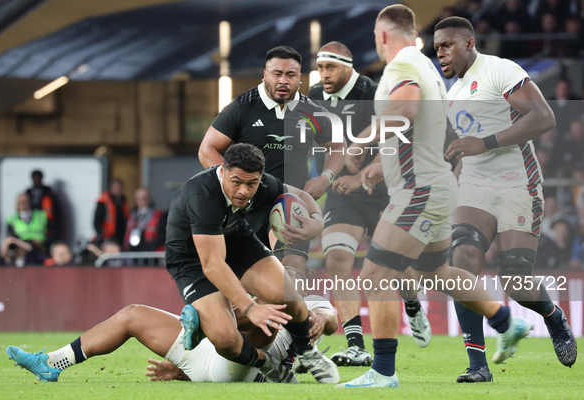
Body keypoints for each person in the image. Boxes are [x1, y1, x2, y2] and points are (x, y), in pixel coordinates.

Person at [338, 5, 533, 389]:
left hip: (419, 191)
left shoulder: (401, 66)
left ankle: (383, 372)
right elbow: (419, 127)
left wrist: (362, 139)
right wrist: (381, 163)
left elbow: (406, 110)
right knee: (436, 272)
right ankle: (507, 322)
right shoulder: (426, 64)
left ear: (382, 36)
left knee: (376, 274)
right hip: (437, 185)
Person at [433, 16, 577, 382]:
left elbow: (544, 118)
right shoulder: (451, 95)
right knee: (461, 263)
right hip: (475, 185)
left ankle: (553, 317)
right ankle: (477, 366)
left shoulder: (500, 70)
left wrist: (484, 143)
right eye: (436, 49)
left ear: (468, 43)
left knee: (515, 282)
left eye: (446, 45)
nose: (440, 54)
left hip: (518, 182)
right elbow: (465, 149)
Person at [165, 143, 339, 384]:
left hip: (236, 240)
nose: (244, 191)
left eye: (251, 184)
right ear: (223, 171)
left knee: (287, 292)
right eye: (237, 182)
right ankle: (266, 364)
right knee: (225, 339)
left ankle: (307, 352)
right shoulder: (202, 195)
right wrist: (250, 307)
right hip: (192, 260)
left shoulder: (263, 183)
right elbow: (213, 265)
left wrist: (317, 222)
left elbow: (300, 196)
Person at [308, 41, 431, 367]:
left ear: (348, 66)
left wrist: (365, 172)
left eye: (330, 67)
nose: (324, 74)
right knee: (336, 258)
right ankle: (355, 346)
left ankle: (414, 304)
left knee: (395, 268)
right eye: (320, 68)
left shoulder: (374, 91)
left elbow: (395, 134)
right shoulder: (314, 96)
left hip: (382, 190)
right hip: (341, 191)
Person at [198, 45, 345, 274]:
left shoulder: (312, 112)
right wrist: (234, 186)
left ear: (299, 79)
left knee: (291, 275)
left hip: (290, 207)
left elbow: (338, 146)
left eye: (290, 75)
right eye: (277, 74)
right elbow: (207, 149)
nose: (283, 81)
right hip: (246, 211)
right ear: (265, 75)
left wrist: (326, 178)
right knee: (250, 289)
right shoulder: (242, 107)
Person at [6, 295, 338, 383]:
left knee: (258, 321)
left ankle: (201, 322)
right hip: (206, 357)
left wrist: (320, 317)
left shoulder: (300, 300)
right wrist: (182, 372)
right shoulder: (253, 281)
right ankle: (53, 362)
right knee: (133, 314)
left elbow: (330, 317)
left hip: (244, 363)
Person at [0, 193, 48, 267]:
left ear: (30, 202)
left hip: (40, 249)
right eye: (20, 202)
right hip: (21, 249)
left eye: (25, 201)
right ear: (17, 204)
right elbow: (12, 237)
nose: (23, 204)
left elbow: (53, 233)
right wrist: (26, 244)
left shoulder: (41, 216)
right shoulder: (12, 220)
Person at [123, 188, 167, 254]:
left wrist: (152, 246)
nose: (142, 200)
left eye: (144, 198)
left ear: (149, 198)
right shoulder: (130, 215)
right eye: (139, 198)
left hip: (151, 252)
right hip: (132, 251)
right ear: (136, 199)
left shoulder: (159, 215)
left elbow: (163, 234)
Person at [93, 178, 129, 247]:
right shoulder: (104, 200)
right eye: (116, 187)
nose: (118, 190)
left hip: (121, 235)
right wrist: (100, 234)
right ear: (111, 188)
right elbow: (97, 219)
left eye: (120, 188)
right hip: (108, 235)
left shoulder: (123, 200)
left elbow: (126, 217)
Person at [26, 170, 60, 242]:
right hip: (31, 223)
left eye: (38, 178)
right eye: (34, 178)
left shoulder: (48, 192)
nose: (36, 180)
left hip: (47, 223)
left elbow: (55, 210)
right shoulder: (28, 192)